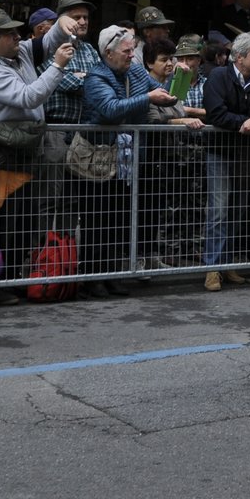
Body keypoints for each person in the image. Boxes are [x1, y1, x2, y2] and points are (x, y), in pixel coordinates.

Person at [0, 5, 77, 300]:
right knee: (5, 220)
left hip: (27, 149)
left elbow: (46, 40)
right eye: (10, 33)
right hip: (3, 153)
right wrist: (57, 67)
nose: (18, 36)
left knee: (26, 218)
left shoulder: (19, 52)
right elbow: (29, 97)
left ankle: (16, 277)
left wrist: (63, 21)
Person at [83, 25, 178, 297]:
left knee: (118, 217)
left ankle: (112, 274)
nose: (131, 56)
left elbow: (165, 95)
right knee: (96, 220)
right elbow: (110, 109)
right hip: (98, 159)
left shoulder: (135, 70)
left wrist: (178, 79)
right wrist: (147, 98)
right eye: (126, 51)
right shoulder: (96, 77)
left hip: (129, 160)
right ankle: (92, 279)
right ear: (108, 53)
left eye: (131, 50)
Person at [201, 32, 250, 289]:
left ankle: (227, 263)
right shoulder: (218, 77)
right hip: (221, 151)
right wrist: (242, 123)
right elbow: (215, 113)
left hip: (247, 153)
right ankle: (212, 268)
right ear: (238, 58)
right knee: (219, 210)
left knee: (238, 210)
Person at [44, 0, 100, 125]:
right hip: (57, 128)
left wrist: (81, 76)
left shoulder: (89, 49)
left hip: (85, 130)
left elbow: (102, 80)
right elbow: (65, 82)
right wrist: (91, 78)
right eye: (77, 17)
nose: (83, 22)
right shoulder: (48, 47)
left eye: (85, 17)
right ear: (62, 21)